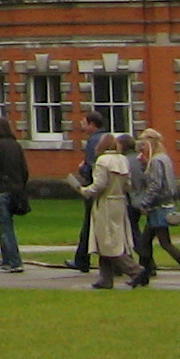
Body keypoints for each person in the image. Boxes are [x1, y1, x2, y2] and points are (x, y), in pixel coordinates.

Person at [130, 127, 180, 287]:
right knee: (145, 242)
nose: (141, 147)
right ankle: (144, 275)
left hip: (158, 207)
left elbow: (156, 184)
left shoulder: (156, 160)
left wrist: (144, 203)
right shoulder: (164, 158)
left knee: (164, 243)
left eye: (143, 144)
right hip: (163, 204)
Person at [69, 129, 141, 288]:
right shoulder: (122, 160)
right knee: (108, 241)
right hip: (120, 202)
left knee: (107, 242)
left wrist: (84, 190)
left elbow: (99, 185)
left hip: (105, 203)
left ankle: (135, 270)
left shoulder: (102, 161)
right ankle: (105, 279)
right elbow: (128, 185)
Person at [0, 115, 31, 273]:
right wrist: (20, 186)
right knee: (5, 225)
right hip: (16, 189)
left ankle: (15, 261)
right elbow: (24, 171)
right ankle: (6, 259)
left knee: (6, 226)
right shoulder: (16, 146)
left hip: (0, 190)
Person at [64, 108, 109, 273]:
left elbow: (91, 167)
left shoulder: (93, 141)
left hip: (93, 187)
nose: (82, 125)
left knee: (89, 224)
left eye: (84, 122)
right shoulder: (107, 138)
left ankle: (82, 260)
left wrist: (82, 169)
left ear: (92, 124)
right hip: (109, 189)